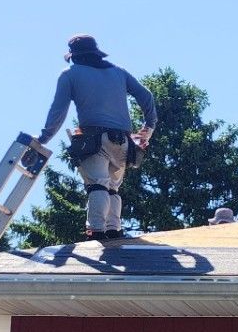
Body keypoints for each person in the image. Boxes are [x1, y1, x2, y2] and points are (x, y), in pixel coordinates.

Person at [36, 35, 157, 242]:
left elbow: (58, 110)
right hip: (123, 141)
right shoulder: (118, 72)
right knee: (112, 187)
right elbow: (146, 96)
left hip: (93, 138)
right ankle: (114, 229)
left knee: (97, 184)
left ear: (74, 56)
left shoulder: (70, 75)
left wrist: (44, 137)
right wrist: (149, 126)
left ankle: (97, 231)